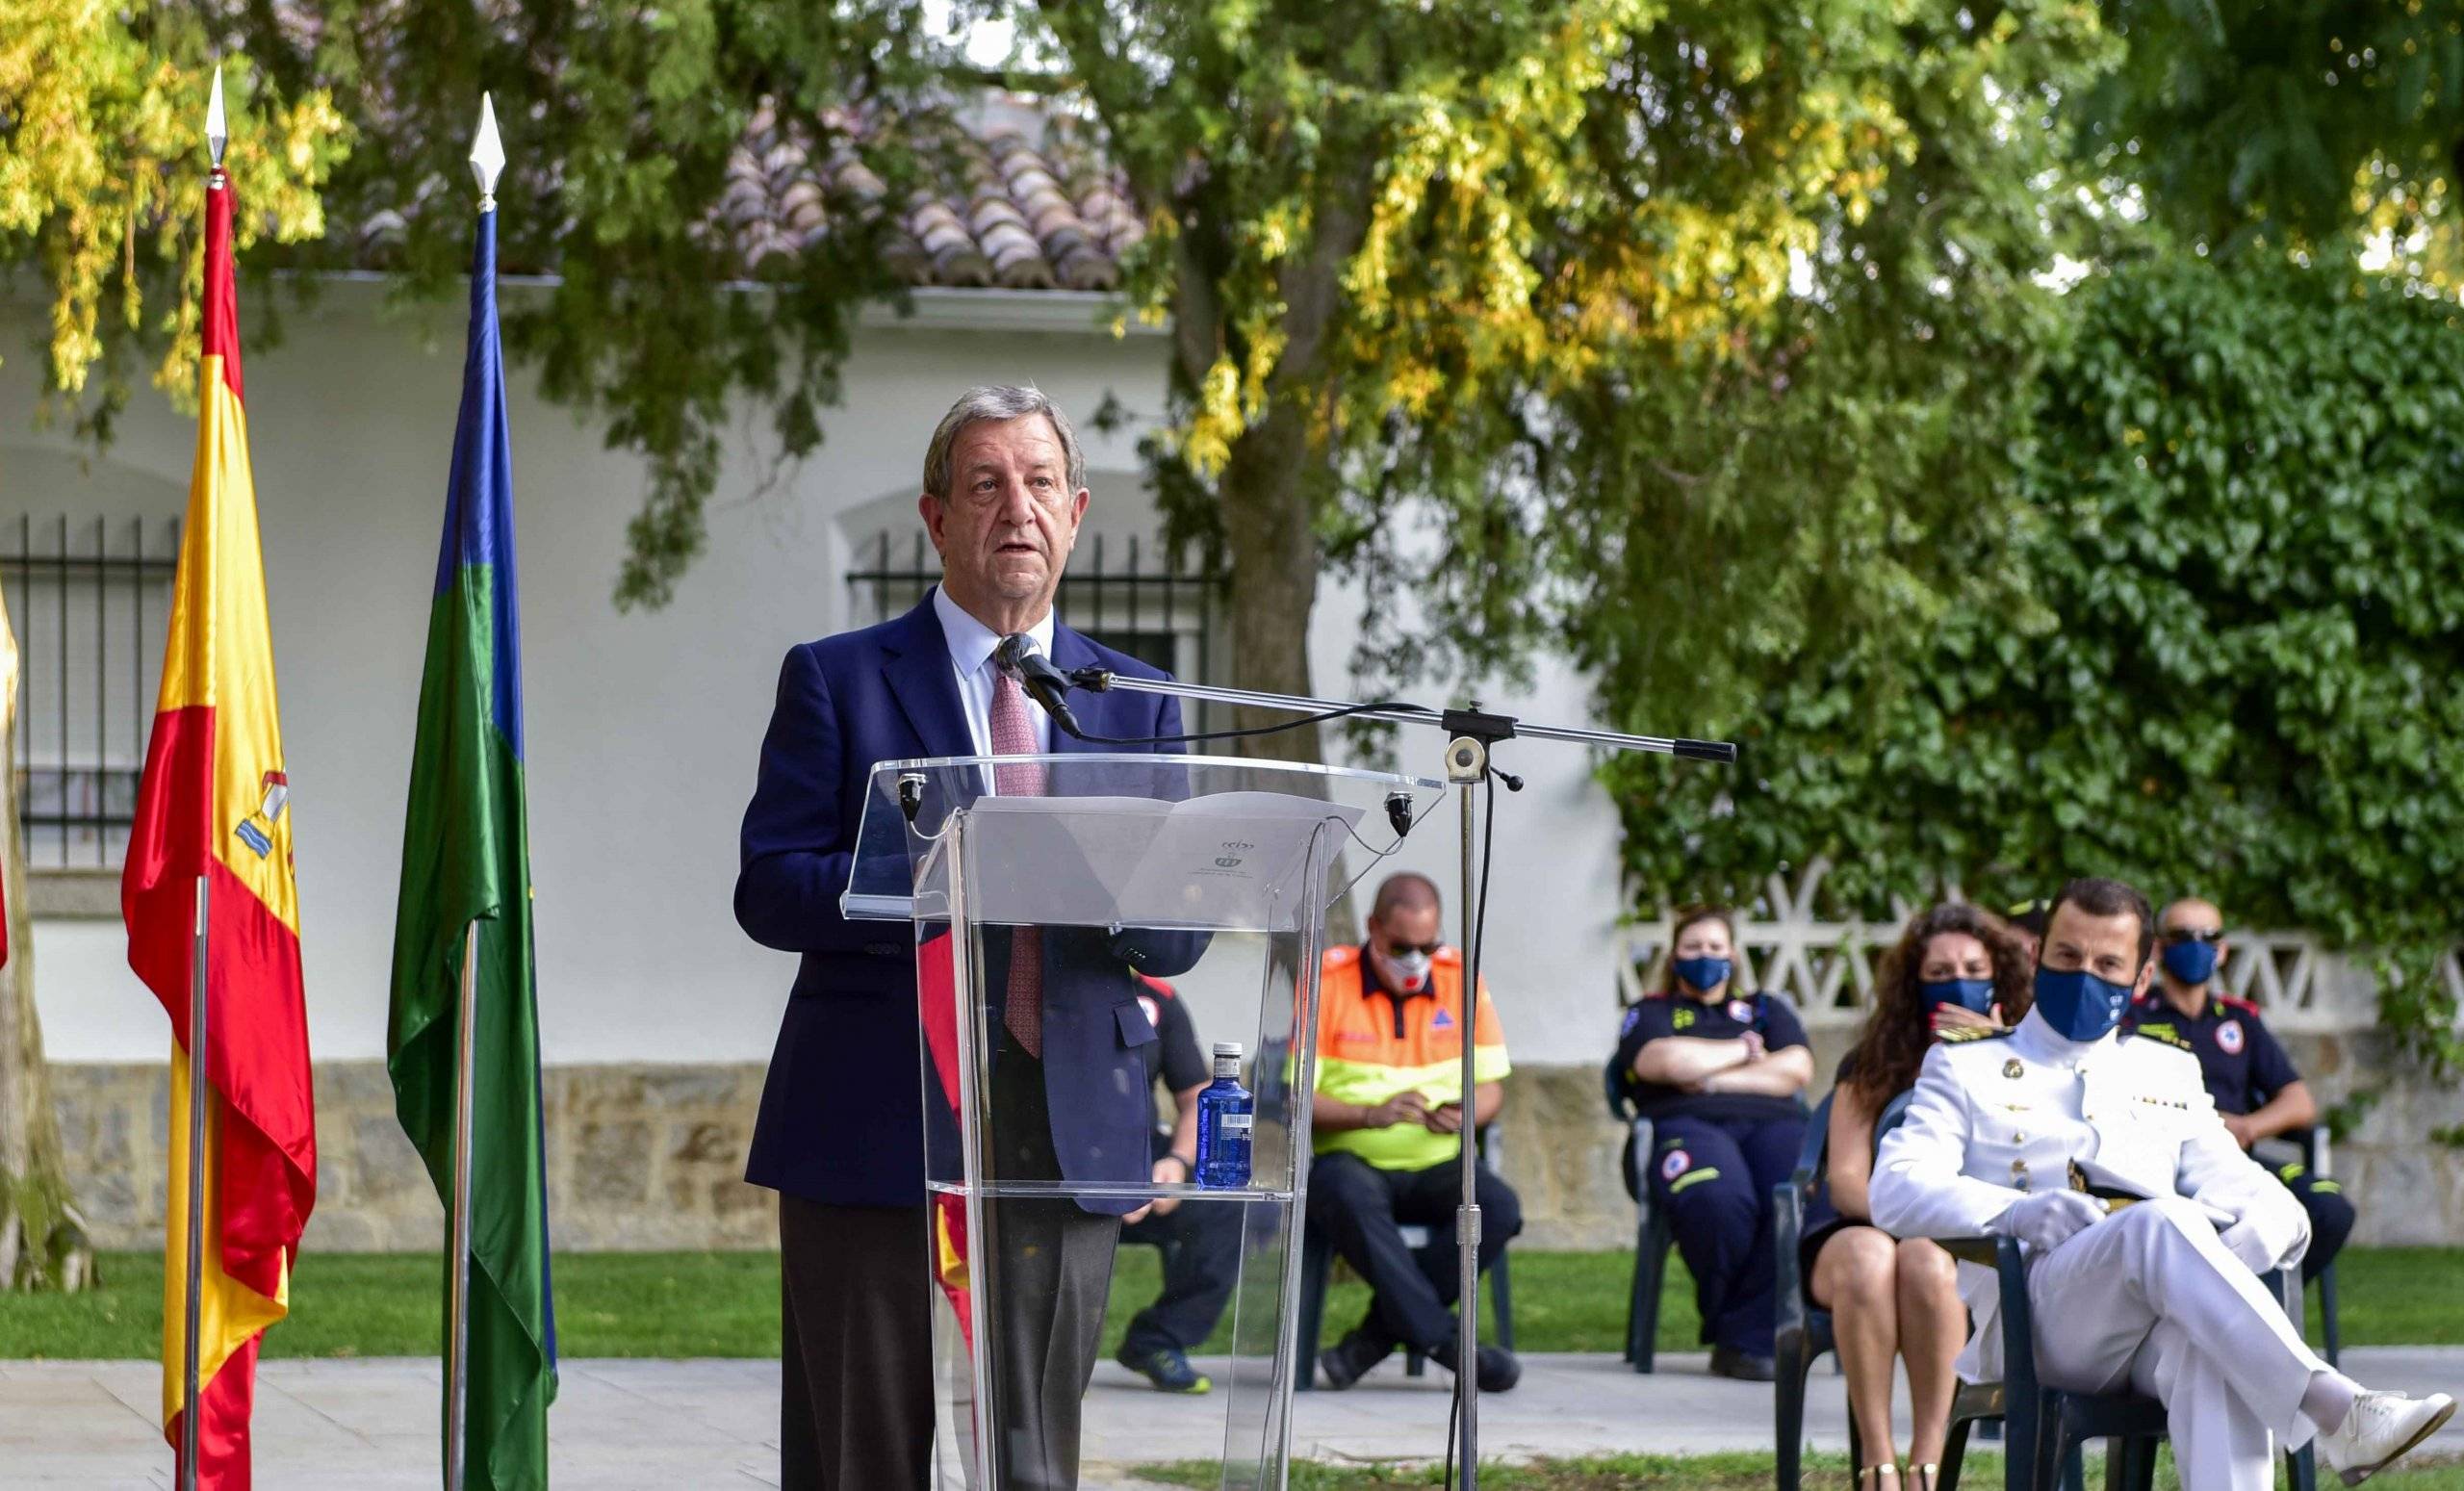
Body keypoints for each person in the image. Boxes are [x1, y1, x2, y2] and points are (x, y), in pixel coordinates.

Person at [734, 386, 1200, 1490]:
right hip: (876, 1111)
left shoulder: (1134, 697)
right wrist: (937, 880)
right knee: (862, 1455)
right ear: (937, 518)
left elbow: (1175, 937)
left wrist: (1136, 892)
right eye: (985, 483)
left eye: (1040, 483)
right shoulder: (837, 678)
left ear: (1077, 512)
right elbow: (769, 887)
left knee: (1035, 1460)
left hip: (1065, 1111)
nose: (1016, 508)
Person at [1870, 877, 2453, 1491]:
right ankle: (2336, 1407)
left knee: (2211, 1351)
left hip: (2155, 1320)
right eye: (2067, 956)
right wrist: (2015, 1212)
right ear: (2038, 956)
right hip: (2037, 1321)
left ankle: (2328, 1415)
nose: (2084, 975)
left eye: (2108, 964)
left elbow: (2238, 1181)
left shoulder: (2167, 1068)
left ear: (2141, 980)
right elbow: (1895, 1188)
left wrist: (2264, 1229)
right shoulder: (1967, 1065)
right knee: (2163, 1221)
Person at [1800, 903, 2032, 1490]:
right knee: (1876, 1256)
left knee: (1928, 1262)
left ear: (1998, 977)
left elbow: (2028, 1170)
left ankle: (1929, 1461)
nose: (1958, 982)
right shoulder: (1873, 1063)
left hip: (1967, 1240)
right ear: (1913, 986)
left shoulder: (2022, 1062)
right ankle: (1877, 1461)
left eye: (1974, 969)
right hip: (1861, 1231)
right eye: (1939, 972)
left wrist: (2000, 1055)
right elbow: (1848, 1181)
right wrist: (1912, 1215)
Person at [1308, 873, 1524, 1393]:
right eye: (1401, 947)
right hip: (1351, 1161)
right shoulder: (1326, 981)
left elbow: (1492, 1089)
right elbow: (1291, 1100)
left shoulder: (1460, 978)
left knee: (1498, 1208)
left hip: (1439, 1162)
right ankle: (1447, 1342)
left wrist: (1465, 1114)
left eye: (1428, 946)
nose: (1416, 959)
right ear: (1372, 928)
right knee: (1342, 1191)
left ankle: (1374, 1340)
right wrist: (1369, 1115)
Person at [1609, 904, 1814, 1381]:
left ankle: (1742, 1339)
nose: (1705, 956)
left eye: (1716, 947)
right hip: (1684, 1124)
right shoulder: (1650, 1011)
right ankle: (1748, 1338)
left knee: (1801, 1194)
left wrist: (1713, 1079)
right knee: (1717, 1199)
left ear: (1734, 955)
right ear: (1674, 955)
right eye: (1693, 947)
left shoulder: (1768, 1008)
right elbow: (1667, 1063)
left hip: (1773, 1124)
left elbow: (1797, 1069)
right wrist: (1744, 1052)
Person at [2122, 896, 2357, 1284]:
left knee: (2329, 1208)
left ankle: (2261, 1311)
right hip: (2168, 1167)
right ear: (2160, 947)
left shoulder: (2239, 1019)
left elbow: (2299, 1103)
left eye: (2208, 936)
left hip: (2238, 1161)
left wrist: (2247, 1127)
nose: (2197, 945)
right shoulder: (2134, 1016)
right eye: (2183, 936)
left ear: (2223, 950)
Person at [1113, 975, 1244, 1394]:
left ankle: (1158, 1339)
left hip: (1144, 1160)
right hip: (1053, 1168)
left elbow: (1195, 1095)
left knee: (1223, 1204)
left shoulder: (1158, 995)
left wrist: (1177, 1162)